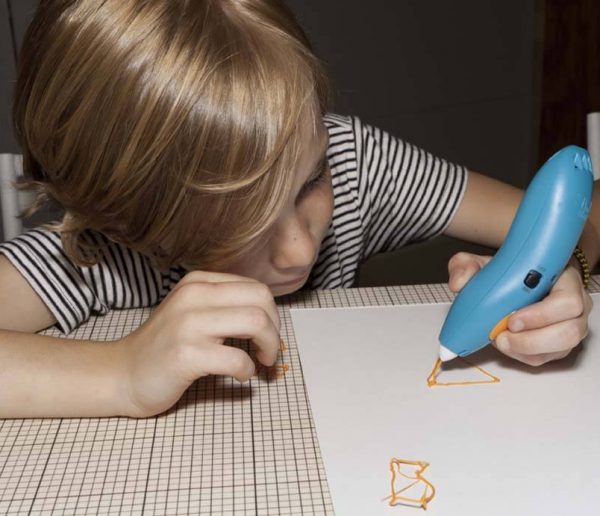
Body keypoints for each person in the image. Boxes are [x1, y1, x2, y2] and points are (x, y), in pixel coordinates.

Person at [0, 0, 597, 418]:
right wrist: (122, 375)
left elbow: (582, 220)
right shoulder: (98, 252)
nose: (301, 249)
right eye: (242, 223)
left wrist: (555, 272)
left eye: (311, 181)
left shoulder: (354, 159)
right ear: (128, 219)